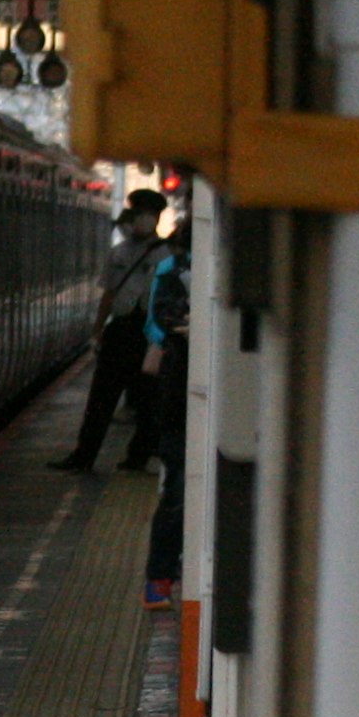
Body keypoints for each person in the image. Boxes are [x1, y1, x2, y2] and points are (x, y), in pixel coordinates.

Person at [53, 188, 172, 472]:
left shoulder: (166, 254)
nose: (142, 221)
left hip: (148, 333)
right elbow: (107, 294)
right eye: (138, 214)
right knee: (101, 397)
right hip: (120, 330)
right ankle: (84, 455)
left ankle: (138, 456)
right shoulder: (118, 252)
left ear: (156, 218)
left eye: (149, 215)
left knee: (147, 400)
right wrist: (97, 330)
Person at [137, 225, 193, 604]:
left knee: (180, 488)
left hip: (185, 394)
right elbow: (162, 320)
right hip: (178, 394)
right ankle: (159, 578)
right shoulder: (171, 272)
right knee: (177, 488)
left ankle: (166, 572)